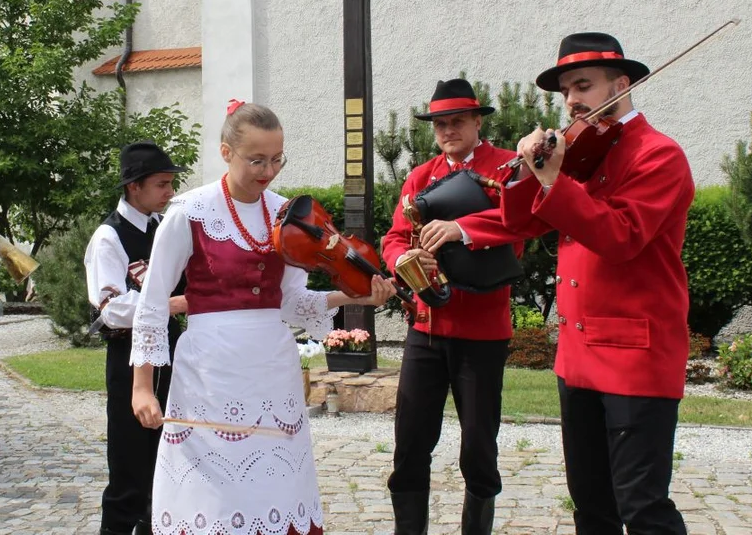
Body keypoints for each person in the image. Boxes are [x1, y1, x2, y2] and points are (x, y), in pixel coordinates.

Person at [130, 101, 393, 535]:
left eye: (276, 158)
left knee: (275, 488)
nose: (268, 170)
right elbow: (153, 304)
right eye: (257, 160)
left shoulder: (289, 216)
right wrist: (142, 387)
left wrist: (354, 297)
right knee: (212, 497)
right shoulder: (188, 212)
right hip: (209, 371)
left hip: (271, 366)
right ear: (226, 152)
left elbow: (291, 301)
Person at [503, 33, 693, 534]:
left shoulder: (658, 154)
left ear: (622, 82)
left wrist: (554, 181)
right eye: (565, 91)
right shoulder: (583, 152)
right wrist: (529, 173)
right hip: (579, 355)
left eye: (583, 85)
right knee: (591, 506)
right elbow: (521, 226)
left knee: (643, 507)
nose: (571, 101)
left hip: (635, 356)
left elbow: (622, 236)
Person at [380, 79, 527, 535]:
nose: (447, 130)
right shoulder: (421, 175)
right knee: (409, 446)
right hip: (425, 327)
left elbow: (519, 226)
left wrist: (461, 229)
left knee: (479, 447)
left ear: (477, 121)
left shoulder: (507, 167)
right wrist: (402, 259)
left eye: (457, 121)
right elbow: (395, 237)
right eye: (440, 124)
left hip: (481, 329)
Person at [86, 141, 188, 535]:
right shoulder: (108, 238)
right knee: (129, 469)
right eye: (162, 184)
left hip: (171, 354)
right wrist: (176, 304)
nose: (170, 192)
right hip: (129, 358)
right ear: (134, 187)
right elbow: (109, 307)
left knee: (166, 465)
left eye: (170, 184)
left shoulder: (162, 228)